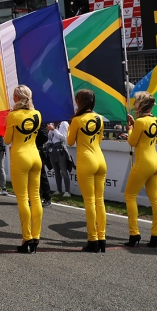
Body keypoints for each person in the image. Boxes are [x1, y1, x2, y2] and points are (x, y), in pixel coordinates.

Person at [4, 86, 44, 253]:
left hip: (20, 157)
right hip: (35, 156)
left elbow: (7, 140)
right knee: (35, 197)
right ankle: (36, 236)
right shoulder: (37, 114)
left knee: (23, 199)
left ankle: (26, 238)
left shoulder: (12, 116)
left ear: (15, 98)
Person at [67, 89, 107, 253]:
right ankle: (102, 237)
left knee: (90, 201)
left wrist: (73, 126)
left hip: (86, 160)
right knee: (100, 201)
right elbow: (100, 139)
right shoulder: (99, 118)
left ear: (80, 102)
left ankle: (92, 239)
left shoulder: (77, 119)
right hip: (100, 159)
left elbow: (69, 142)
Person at [124, 91, 157, 248]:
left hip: (144, 163)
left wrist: (129, 129)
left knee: (130, 196)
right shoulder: (156, 120)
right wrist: (135, 125)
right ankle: (156, 235)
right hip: (156, 161)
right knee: (155, 199)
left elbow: (132, 142)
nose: (134, 105)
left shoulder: (141, 122)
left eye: (135, 102)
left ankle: (134, 234)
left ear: (141, 105)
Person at [47, 120, 72, 195]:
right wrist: (49, 131)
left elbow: (64, 138)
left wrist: (54, 130)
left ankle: (67, 191)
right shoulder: (51, 123)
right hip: (52, 149)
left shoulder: (64, 123)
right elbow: (49, 138)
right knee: (56, 171)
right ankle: (59, 190)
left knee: (64, 171)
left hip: (60, 149)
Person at [36, 122, 52, 206]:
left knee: (42, 175)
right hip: (28, 150)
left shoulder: (38, 119)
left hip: (38, 150)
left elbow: (44, 137)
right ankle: (34, 197)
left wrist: (33, 142)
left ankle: (47, 197)